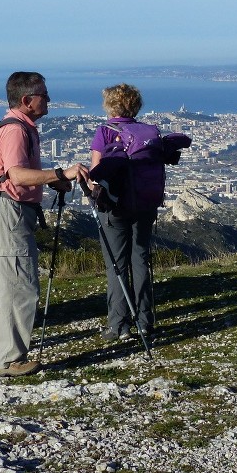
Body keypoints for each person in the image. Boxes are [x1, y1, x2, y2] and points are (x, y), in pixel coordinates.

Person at [0, 72, 88, 377]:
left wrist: (52, 181)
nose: (48, 99)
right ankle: (12, 359)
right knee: (19, 287)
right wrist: (60, 173)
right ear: (27, 100)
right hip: (8, 213)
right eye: (44, 95)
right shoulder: (15, 131)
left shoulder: (16, 127)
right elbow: (17, 175)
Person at [89, 84, 160, 342]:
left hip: (114, 206)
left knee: (116, 264)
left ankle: (119, 324)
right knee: (140, 260)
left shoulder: (105, 131)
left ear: (110, 106)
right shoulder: (149, 133)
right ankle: (145, 321)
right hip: (144, 204)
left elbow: (96, 173)